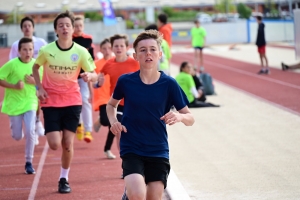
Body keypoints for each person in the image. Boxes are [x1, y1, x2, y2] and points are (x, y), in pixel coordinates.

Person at [106, 30, 195, 200]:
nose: (148, 53)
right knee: (138, 195)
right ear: (135, 56)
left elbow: (190, 118)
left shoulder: (169, 83)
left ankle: (128, 195)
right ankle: (131, 193)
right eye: (143, 50)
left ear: (160, 54)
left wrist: (180, 117)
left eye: (153, 49)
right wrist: (113, 121)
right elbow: (111, 105)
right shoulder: (126, 81)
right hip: (132, 146)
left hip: (157, 149)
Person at [32, 10, 98, 194]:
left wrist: (88, 75)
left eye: (67, 25)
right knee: (54, 143)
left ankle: (64, 178)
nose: (65, 28)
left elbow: (95, 74)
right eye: (61, 25)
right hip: (51, 101)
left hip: (72, 100)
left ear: (72, 29)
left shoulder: (81, 51)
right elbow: (35, 67)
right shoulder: (47, 51)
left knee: (67, 144)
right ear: (56, 30)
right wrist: (39, 87)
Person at [95, 34, 140, 160]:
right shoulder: (109, 64)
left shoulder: (135, 63)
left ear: (127, 47)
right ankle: (126, 164)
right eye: (116, 46)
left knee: (135, 135)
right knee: (120, 133)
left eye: (121, 46)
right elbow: (98, 79)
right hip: (117, 104)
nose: (119, 48)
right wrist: (98, 83)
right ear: (112, 48)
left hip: (134, 105)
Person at [0, 38, 40, 174]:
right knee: (17, 136)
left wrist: (35, 81)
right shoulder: (12, 65)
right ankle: (17, 130)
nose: (28, 52)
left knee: (30, 130)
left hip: (30, 101)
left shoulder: (36, 65)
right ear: (19, 51)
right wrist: (14, 86)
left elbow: (43, 84)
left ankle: (29, 162)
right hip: (14, 104)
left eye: (30, 49)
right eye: (25, 49)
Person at [9, 16, 47, 145]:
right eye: (24, 26)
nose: (27, 28)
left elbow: (47, 59)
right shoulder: (16, 45)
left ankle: (35, 126)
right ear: (21, 29)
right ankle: (28, 124)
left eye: (29, 26)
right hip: (24, 78)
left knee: (38, 99)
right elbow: (12, 63)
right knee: (29, 103)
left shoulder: (41, 42)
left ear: (33, 28)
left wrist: (38, 79)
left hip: (37, 77)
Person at [92, 38, 116, 159]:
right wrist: (96, 84)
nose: (107, 51)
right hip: (102, 96)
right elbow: (93, 82)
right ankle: (101, 119)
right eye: (104, 48)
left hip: (114, 97)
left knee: (114, 125)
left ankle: (107, 149)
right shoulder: (97, 64)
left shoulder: (116, 62)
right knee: (107, 121)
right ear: (100, 49)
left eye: (109, 48)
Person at [72, 15, 95, 143]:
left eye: (80, 25)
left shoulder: (88, 39)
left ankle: (88, 130)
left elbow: (91, 60)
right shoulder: (69, 40)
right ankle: (78, 124)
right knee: (75, 102)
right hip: (70, 77)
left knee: (85, 101)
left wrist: (91, 75)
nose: (78, 28)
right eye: (76, 26)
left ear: (83, 26)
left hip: (83, 76)